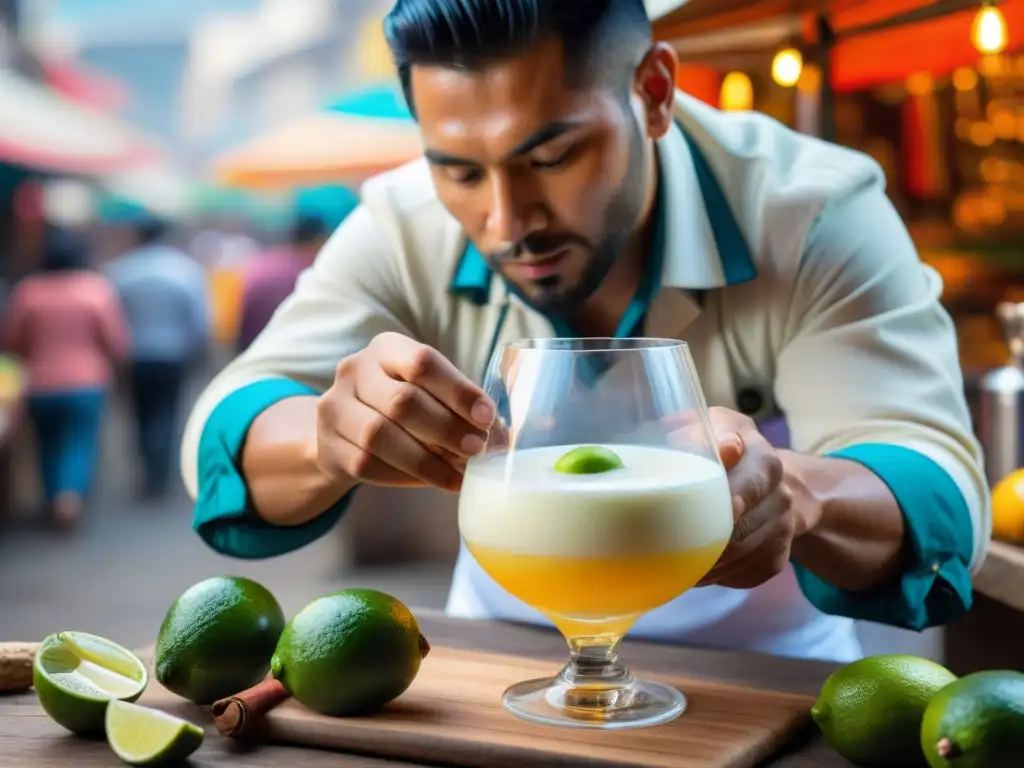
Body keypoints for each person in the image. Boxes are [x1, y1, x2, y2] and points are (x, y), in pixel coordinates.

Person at [180, 0, 990, 662]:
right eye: (459, 169)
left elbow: (938, 489)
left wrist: (796, 495)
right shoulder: (404, 220)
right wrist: (328, 436)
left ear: (655, 92)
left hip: (767, 673)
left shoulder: (813, 213)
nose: (506, 223)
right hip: (495, 665)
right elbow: (224, 427)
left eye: (554, 154)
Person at [5, 226, 128, 528]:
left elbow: (11, 340)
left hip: (40, 383)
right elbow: (116, 340)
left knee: (47, 443)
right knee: (79, 441)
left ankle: (52, 497)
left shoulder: (28, 291)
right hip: (87, 382)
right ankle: (69, 496)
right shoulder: (95, 289)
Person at [105, 218, 211, 499]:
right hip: (172, 355)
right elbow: (199, 320)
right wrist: (198, 350)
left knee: (139, 415)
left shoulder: (120, 271)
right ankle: (160, 475)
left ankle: (148, 473)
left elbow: (111, 316)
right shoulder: (185, 270)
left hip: (134, 355)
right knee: (166, 413)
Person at [236, 214, 330, 354]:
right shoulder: (311, 273)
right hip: (295, 353)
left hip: (254, 350)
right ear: (318, 241)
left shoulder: (263, 263)